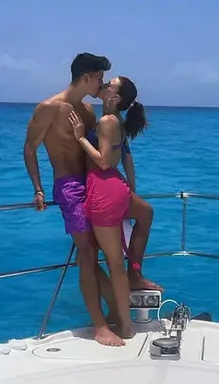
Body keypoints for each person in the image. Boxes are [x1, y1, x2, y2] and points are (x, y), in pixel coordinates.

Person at [23, 52, 126, 347]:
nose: (101, 84)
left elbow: (103, 149)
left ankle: (116, 309)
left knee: (96, 251)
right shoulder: (49, 108)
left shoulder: (89, 111)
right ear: (86, 77)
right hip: (69, 186)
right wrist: (38, 189)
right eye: (99, 78)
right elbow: (30, 148)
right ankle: (99, 326)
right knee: (88, 250)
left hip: (93, 185)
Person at [69, 75, 161, 340]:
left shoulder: (107, 121)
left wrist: (80, 138)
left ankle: (125, 326)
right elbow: (126, 156)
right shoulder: (116, 120)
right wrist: (130, 187)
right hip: (117, 187)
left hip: (104, 190)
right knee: (144, 216)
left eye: (110, 84)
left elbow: (104, 162)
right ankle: (133, 282)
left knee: (113, 264)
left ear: (115, 97)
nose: (105, 84)